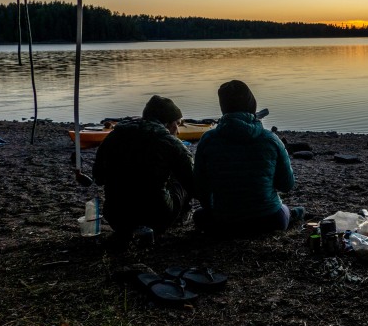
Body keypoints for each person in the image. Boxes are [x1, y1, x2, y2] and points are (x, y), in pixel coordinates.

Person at [192, 80, 301, 237]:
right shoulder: (270, 139)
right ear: (252, 105)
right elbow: (287, 185)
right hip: (268, 220)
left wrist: (216, 209)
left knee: (199, 215)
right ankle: (292, 214)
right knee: (282, 211)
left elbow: (200, 187)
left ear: (223, 107)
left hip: (224, 222)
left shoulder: (207, 140)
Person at [93, 95, 194, 243]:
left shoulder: (113, 137)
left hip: (116, 217)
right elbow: (194, 183)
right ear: (166, 123)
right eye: (176, 124)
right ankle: (180, 218)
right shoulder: (171, 143)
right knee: (181, 178)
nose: (177, 131)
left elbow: (98, 177)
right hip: (157, 217)